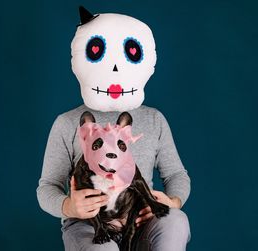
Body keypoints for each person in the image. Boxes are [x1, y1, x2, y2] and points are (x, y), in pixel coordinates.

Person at [36, 6, 190, 251]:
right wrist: (69, 207)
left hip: (140, 221)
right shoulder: (66, 123)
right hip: (88, 224)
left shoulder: (153, 119)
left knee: (176, 220)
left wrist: (172, 201)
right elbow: (47, 187)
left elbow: (176, 175)